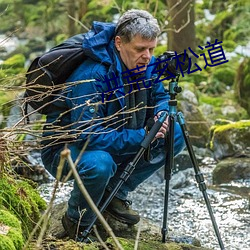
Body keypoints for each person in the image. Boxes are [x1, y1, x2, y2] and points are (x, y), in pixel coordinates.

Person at [41, 9, 185, 241]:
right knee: (100, 164)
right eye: (140, 49)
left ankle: (115, 193)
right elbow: (87, 136)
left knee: (175, 131)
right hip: (67, 150)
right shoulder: (92, 76)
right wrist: (142, 135)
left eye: (152, 49)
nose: (147, 56)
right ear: (119, 43)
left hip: (117, 135)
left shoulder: (145, 63)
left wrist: (162, 114)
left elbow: (160, 95)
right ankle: (76, 221)